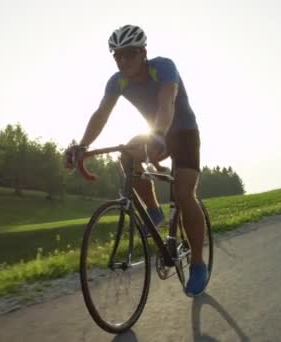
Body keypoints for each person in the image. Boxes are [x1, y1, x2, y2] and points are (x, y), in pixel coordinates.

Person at [64, 25, 208, 297]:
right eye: (117, 56)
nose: (122, 61)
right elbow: (101, 114)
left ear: (143, 53)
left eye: (129, 54)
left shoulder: (163, 67)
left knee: (183, 193)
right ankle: (154, 211)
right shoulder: (117, 81)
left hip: (184, 133)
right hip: (154, 132)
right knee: (126, 156)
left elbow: (167, 104)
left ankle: (199, 263)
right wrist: (83, 146)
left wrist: (157, 136)